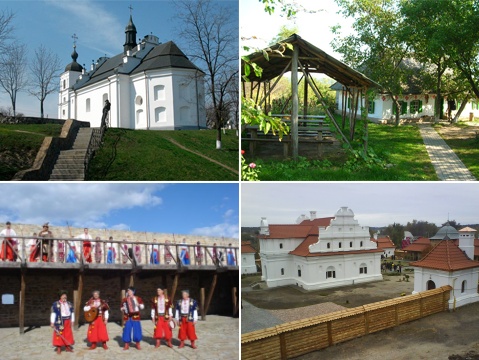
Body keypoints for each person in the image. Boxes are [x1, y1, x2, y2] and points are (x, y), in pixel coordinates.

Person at [50, 290, 75, 354]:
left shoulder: (69, 303)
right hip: (60, 321)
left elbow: (72, 312)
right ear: (60, 297)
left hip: (68, 320)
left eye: (65, 296)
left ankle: (67, 347)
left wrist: (72, 320)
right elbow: (53, 314)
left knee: (68, 334)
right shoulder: (56, 304)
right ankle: (59, 347)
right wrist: (52, 322)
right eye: (63, 295)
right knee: (59, 333)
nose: (65, 297)